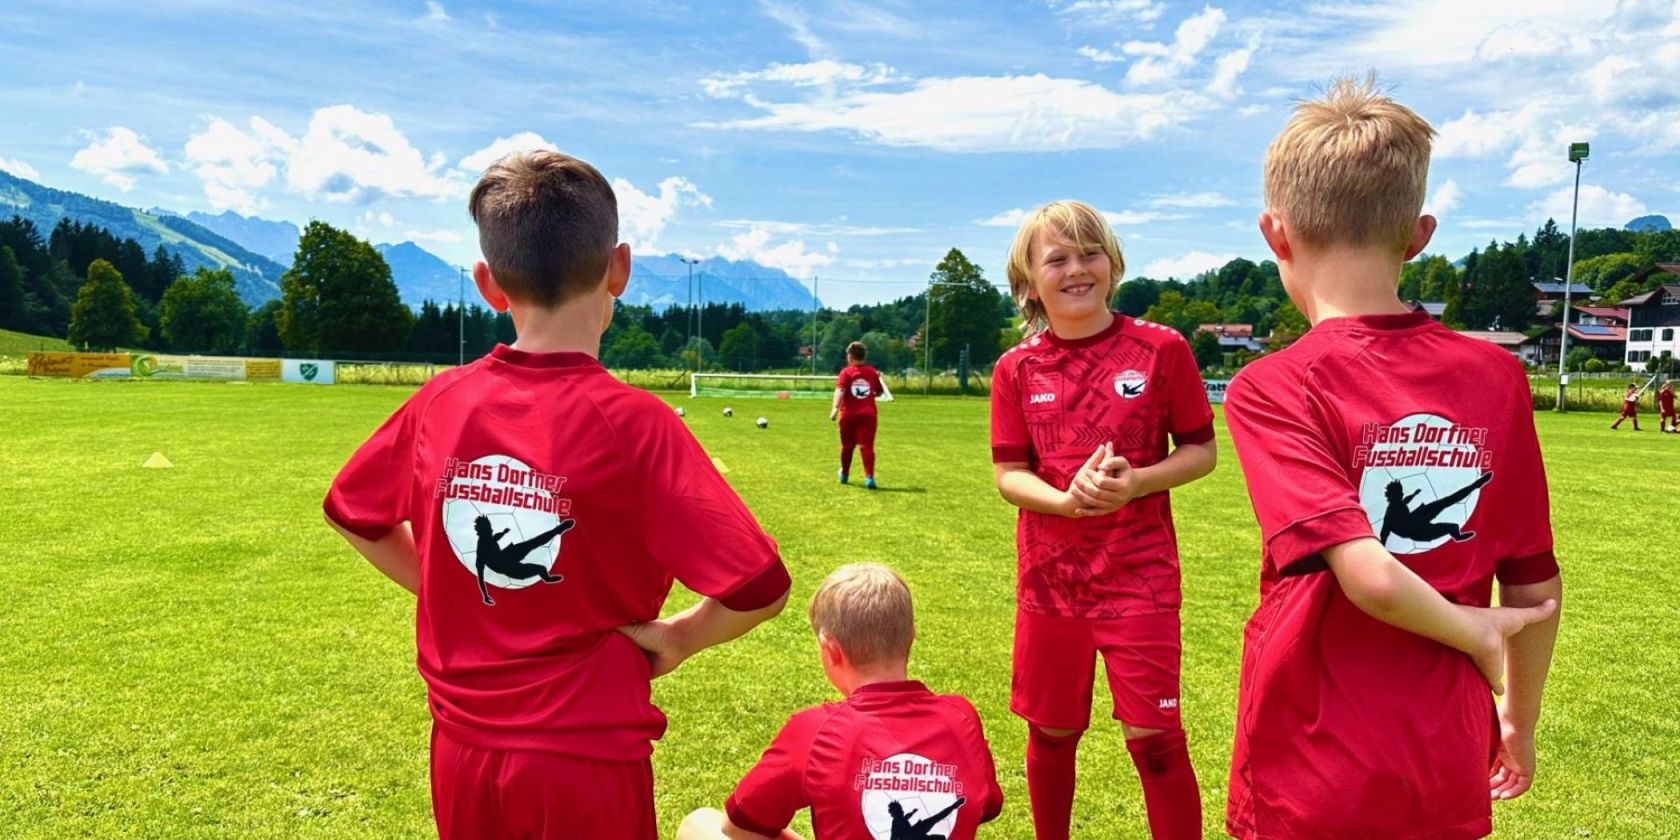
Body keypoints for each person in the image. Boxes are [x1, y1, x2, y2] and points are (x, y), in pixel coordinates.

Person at [323, 150, 791, 840]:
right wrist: (678, 640)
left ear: (488, 284)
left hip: (462, 756)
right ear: (620, 268)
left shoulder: (439, 401)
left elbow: (354, 514)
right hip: (587, 764)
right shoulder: (637, 425)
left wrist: (447, 580)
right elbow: (761, 587)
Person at [1222, 77, 1562, 839]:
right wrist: (1519, 719)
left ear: (1275, 234)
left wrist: (1477, 633)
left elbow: (1371, 576)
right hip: (1444, 742)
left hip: (1309, 755)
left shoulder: (1269, 387)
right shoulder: (1498, 375)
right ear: (1419, 234)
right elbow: (1535, 580)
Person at [991, 200, 1217, 839]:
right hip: (1051, 583)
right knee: (1053, 734)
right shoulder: (1016, 368)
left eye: (1089, 253)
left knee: (1156, 740)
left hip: (1140, 580)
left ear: (1113, 263)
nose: (1075, 269)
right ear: (1029, 281)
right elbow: (1009, 474)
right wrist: (1064, 501)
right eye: (1055, 259)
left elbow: (1202, 452)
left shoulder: (1161, 349)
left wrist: (1137, 483)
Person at [676, 564, 1004, 840]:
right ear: (911, 636)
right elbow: (985, 807)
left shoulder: (814, 729)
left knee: (700, 824)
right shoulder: (961, 715)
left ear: (831, 650)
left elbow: (741, 827)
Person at [831, 340, 889, 489]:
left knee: (847, 446)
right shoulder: (872, 372)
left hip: (848, 414)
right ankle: (869, 477)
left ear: (850, 357)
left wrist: (835, 408)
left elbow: (841, 390)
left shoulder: (846, 372)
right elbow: (879, 391)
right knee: (866, 446)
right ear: (864, 356)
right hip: (868, 414)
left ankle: (844, 474)